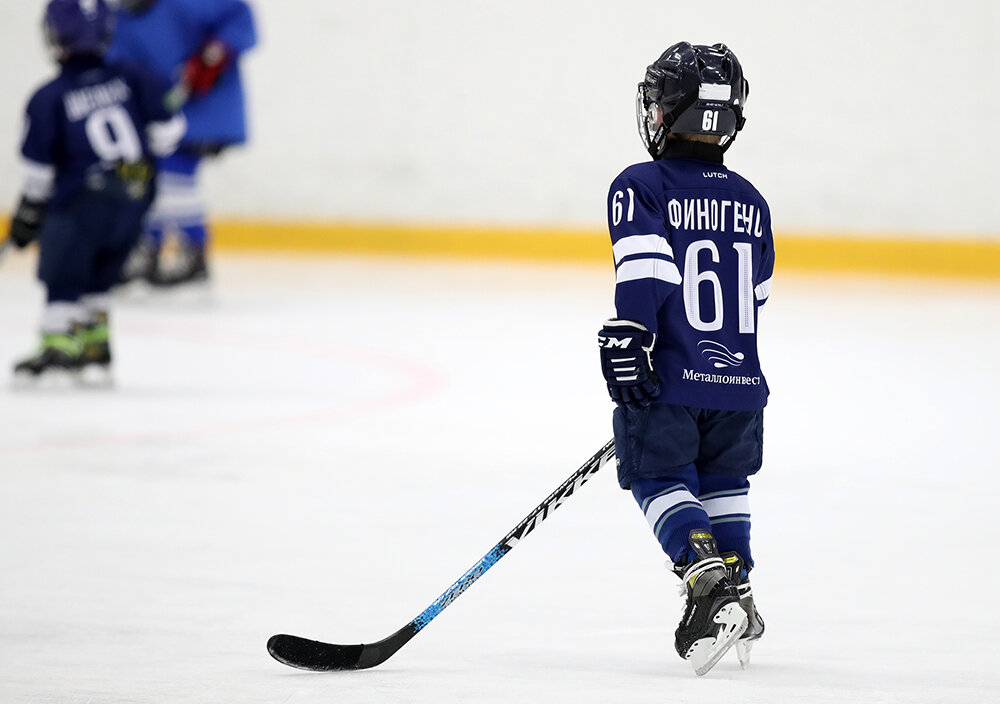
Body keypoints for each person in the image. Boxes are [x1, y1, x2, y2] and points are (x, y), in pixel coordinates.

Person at [597, 42, 773, 676]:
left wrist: (629, 337)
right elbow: (756, 292)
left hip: (671, 377)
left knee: (655, 475)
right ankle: (741, 593)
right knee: (725, 481)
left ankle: (706, 583)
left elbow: (644, 268)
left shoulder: (638, 185)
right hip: (740, 383)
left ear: (667, 111)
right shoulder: (750, 198)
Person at [7, 0, 184, 384]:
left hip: (83, 198)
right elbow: (169, 134)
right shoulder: (134, 76)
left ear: (53, 36)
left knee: (64, 273)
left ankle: (59, 345)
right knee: (101, 272)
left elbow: (38, 175)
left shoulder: (48, 97)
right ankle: (95, 345)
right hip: (137, 194)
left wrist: (27, 219)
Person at [108, 0, 257, 287]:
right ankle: (144, 248)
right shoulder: (118, 19)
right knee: (137, 177)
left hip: (206, 111)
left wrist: (216, 53)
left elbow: (239, 18)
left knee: (174, 175)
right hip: (154, 113)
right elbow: (117, 63)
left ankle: (193, 252)